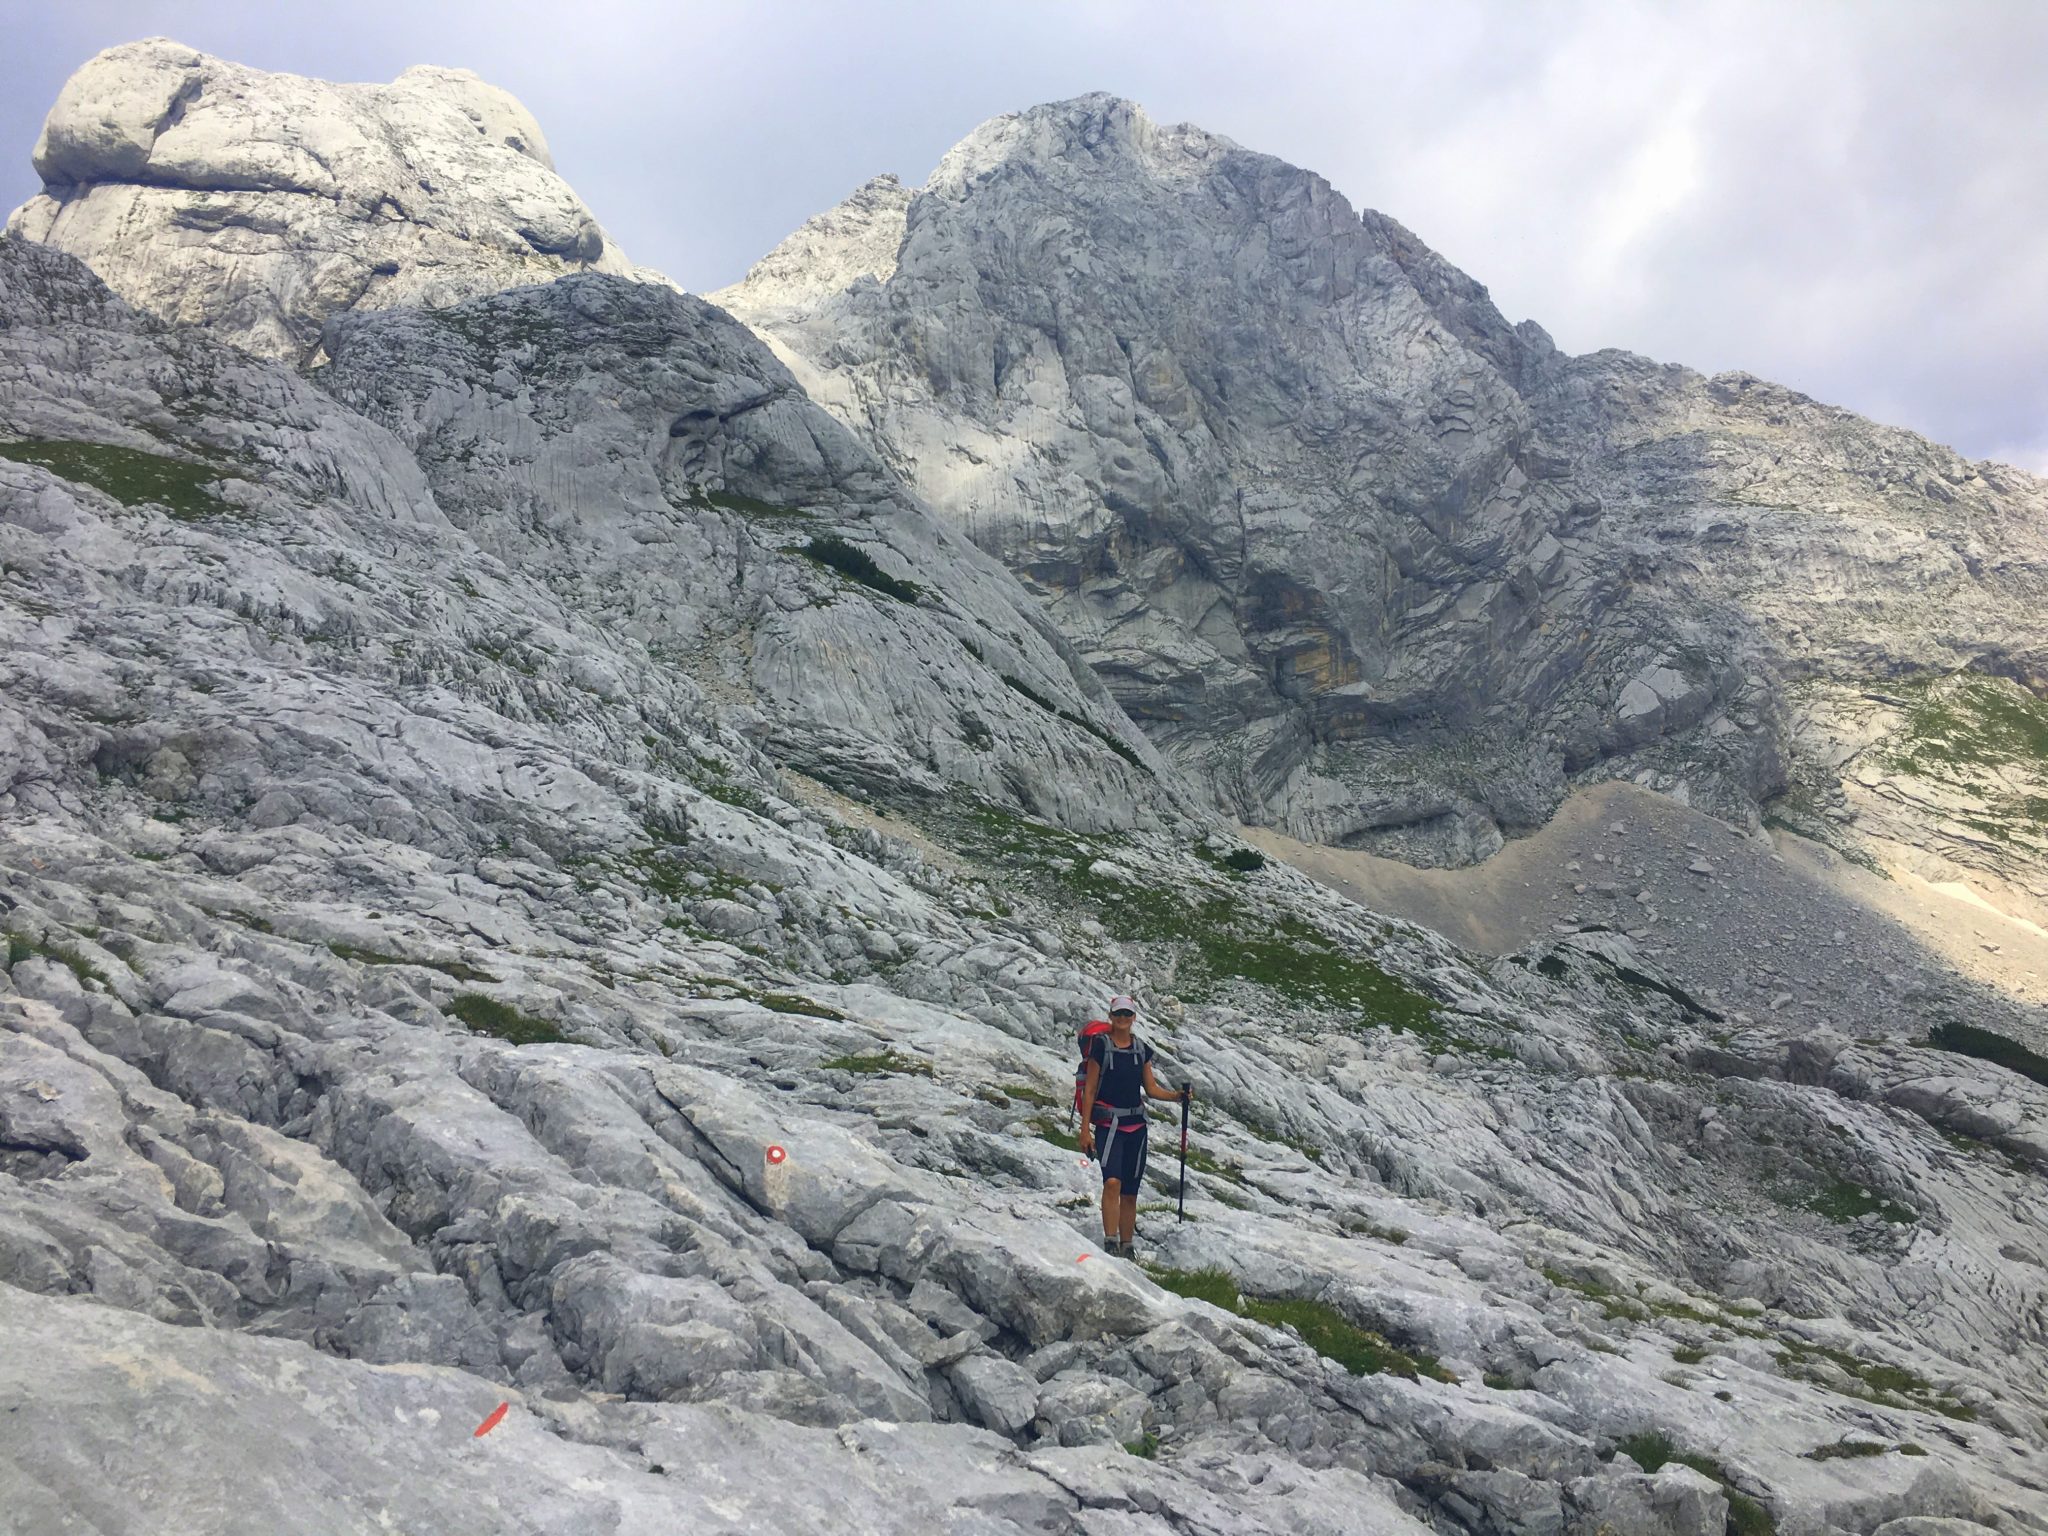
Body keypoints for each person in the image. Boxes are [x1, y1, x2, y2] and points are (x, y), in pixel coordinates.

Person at [1076, 994, 1187, 1257]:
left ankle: (1127, 1246)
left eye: (1127, 1014)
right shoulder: (1100, 1048)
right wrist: (1084, 1130)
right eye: (1118, 1014)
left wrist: (1176, 1097)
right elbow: (1089, 1090)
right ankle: (1110, 1241)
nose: (1123, 1019)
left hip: (1136, 1126)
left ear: (1134, 1017)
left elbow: (1150, 1088)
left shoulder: (1141, 1050)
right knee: (1112, 1181)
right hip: (1109, 1125)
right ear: (1111, 1017)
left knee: (1130, 1190)